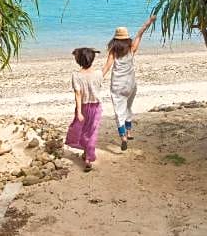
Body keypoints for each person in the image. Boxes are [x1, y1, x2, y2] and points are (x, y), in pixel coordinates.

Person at [103, 15, 156, 151]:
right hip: (131, 85)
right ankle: (129, 131)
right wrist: (149, 21)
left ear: (115, 39)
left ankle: (123, 137)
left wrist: (98, 78)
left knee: (119, 112)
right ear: (127, 38)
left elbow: (107, 67)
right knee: (128, 107)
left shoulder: (113, 52)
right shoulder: (132, 48)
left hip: (117, 86)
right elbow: (140, 32)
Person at [64, 47, 104, 172]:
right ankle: (88, 157)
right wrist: (113, 53)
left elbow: (78, 94)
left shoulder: (76, 75)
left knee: (82, 131)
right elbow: (108, 65)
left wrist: (80, 112)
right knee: (92, 132)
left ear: (78, 60)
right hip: (96, 106)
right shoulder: (98, 73)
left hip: (83, 107)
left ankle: (87, 155)